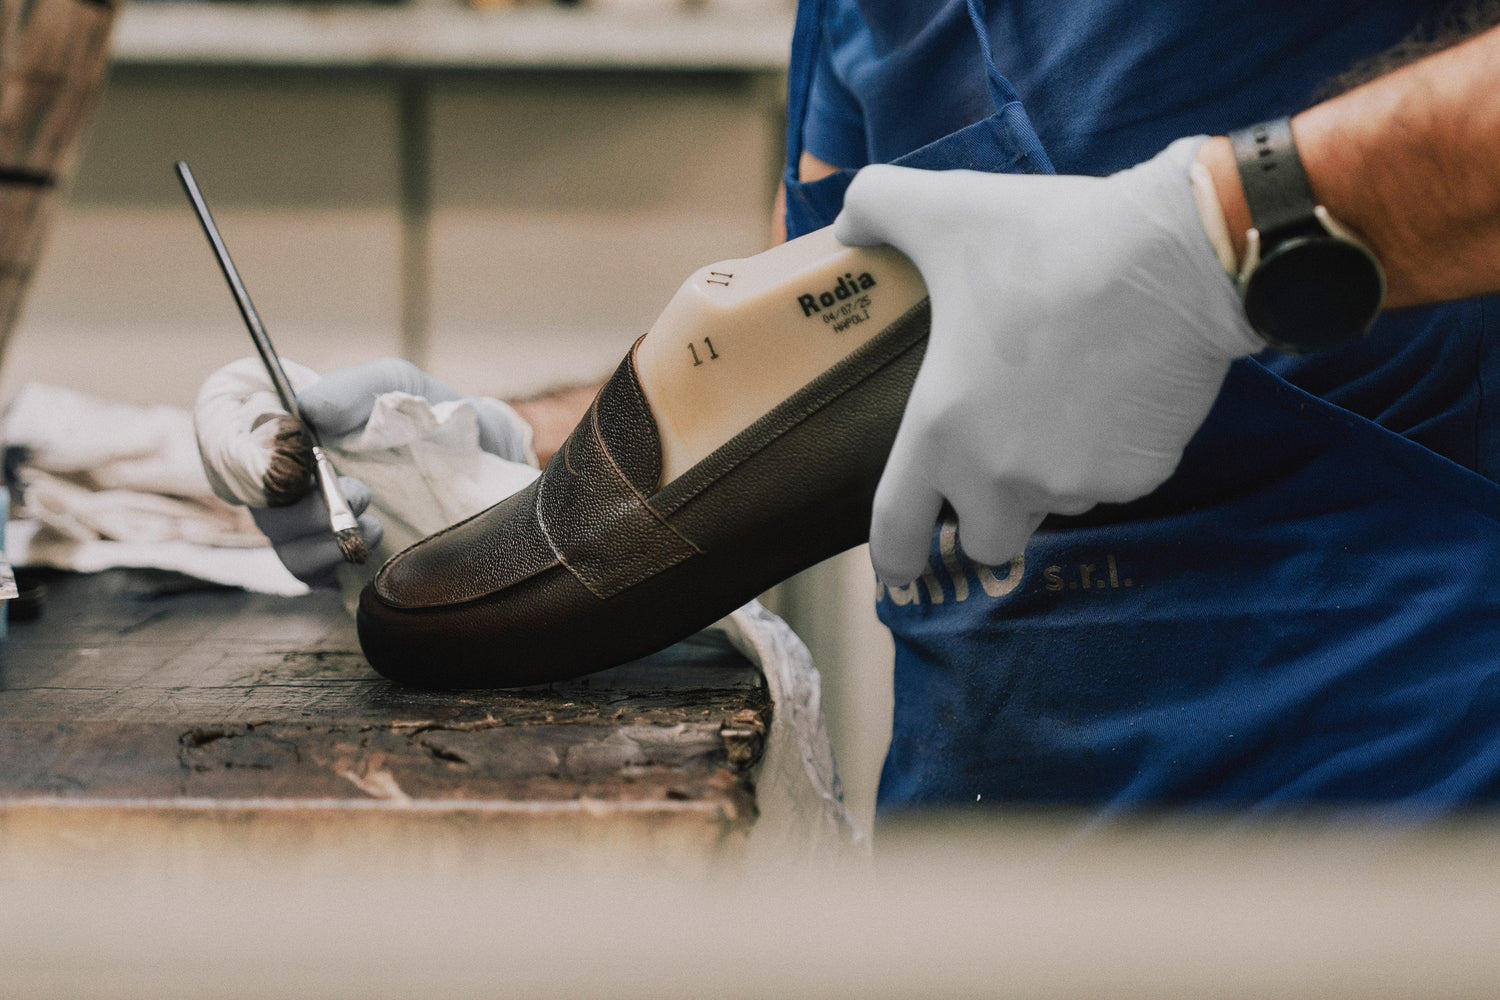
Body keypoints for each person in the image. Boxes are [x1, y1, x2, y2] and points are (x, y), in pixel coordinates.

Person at [234, 1, 1500, 816]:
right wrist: (506, 445)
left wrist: (1220, 234)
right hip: (1000, 856)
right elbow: (878, 340)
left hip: (1390, 832)